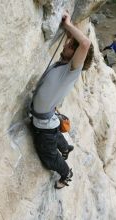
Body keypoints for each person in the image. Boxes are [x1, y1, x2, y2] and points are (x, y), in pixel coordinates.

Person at [31, 11, 93, 189]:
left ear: (75, 54)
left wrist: (67, 24)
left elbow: (85, 43)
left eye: (70, 46)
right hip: (47, 120)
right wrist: (69, 29)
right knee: (54, 133)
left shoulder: (71, 71)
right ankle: (65, 148)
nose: (66, 44)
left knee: (49, 157)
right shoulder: (64, 64)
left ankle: (66, 174)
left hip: (44, 126)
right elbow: (74, 43)